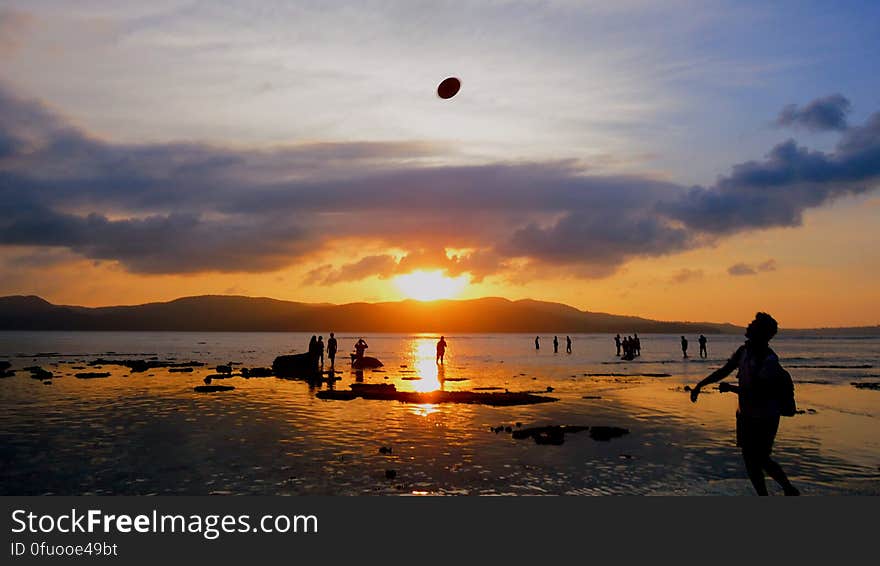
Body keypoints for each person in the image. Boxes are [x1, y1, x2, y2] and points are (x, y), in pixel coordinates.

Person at [690, 312, 799, 496]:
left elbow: (759, 393)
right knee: (750, 460)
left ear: (763, 333)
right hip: (746, 414)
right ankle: (768, 495)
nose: (749, 325)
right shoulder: (744, 351)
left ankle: (789, 490)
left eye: (754, 324)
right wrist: (700, 384)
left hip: (766, 417)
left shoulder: (769, 360)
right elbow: (724, 370)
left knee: (761, 458)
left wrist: (731, 389)